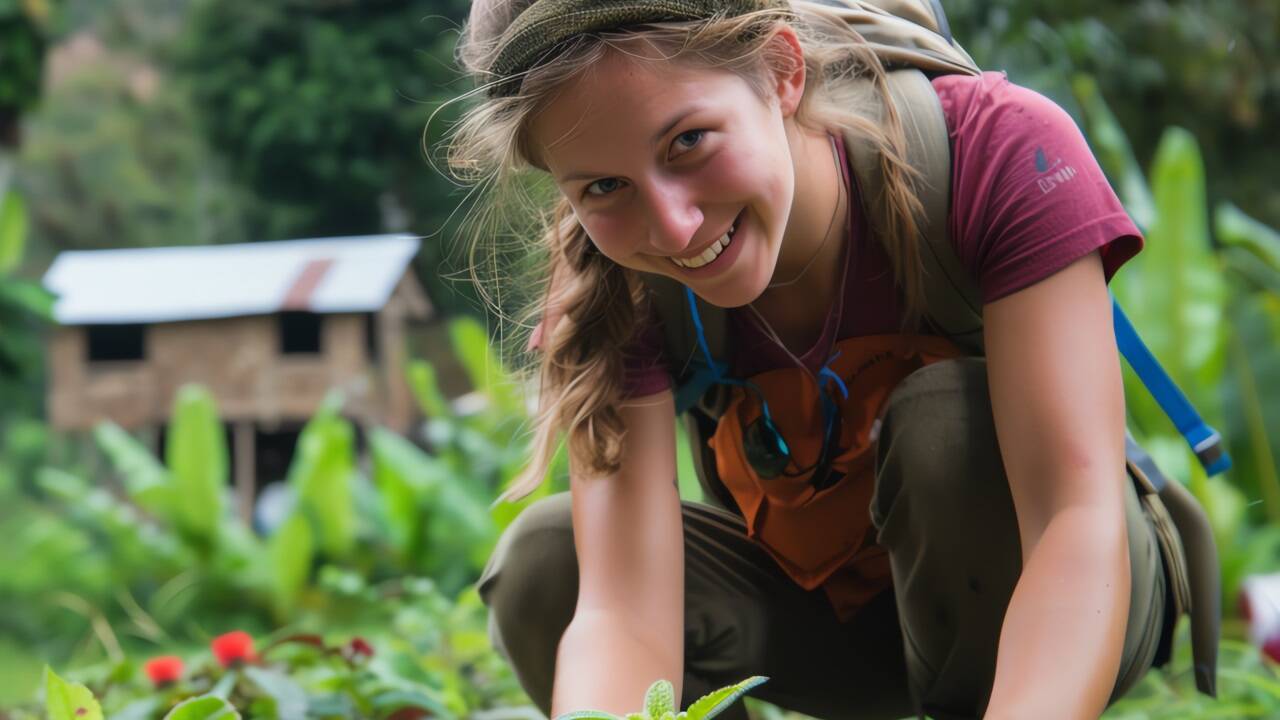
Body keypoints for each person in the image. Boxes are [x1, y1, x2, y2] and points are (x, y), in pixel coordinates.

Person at [444, 1, 1194, 718]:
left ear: (781, 70)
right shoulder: (612, 284)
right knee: (550, 566)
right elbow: (621, 614)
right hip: (834, 618)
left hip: (1065, 579)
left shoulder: (994, 150)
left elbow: (1074, 516)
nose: (672, 229)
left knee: (943, 427)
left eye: (689, 141)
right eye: (604, 187)